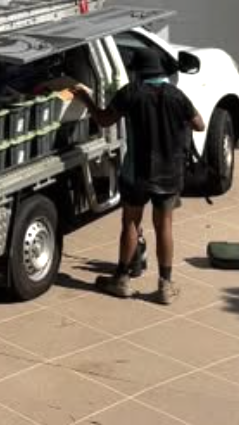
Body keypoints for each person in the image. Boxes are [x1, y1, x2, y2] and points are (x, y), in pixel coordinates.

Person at [71, 47, 204, 304]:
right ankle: (165, 286)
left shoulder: (131, 93)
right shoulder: (177, 95)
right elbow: (199, 124)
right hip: (169, 172)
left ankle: (121, 280)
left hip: (137, 172)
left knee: (131, 222)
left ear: (138, 72)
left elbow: (104, 120)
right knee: (164, 225)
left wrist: (86, 99)